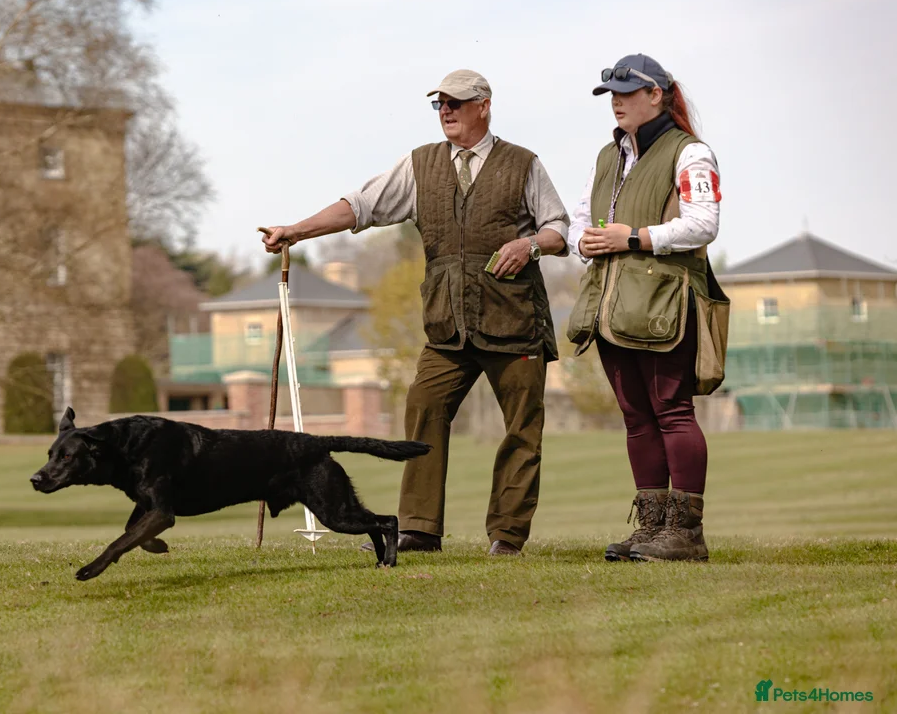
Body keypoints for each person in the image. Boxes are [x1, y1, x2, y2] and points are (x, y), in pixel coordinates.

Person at [260, 69, 570, 556]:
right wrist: (297, 231)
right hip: (447, 328)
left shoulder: (523, 163)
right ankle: (420, 530)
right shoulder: (420, 164)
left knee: (521, 430)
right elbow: (361, 206)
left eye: (456, 103)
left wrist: (529, 244)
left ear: (484, 105)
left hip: (514, 323)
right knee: (424, 409)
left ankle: (507, 536)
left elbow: (558, 228)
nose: (445, 111)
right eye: (439, 104)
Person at [565, 54, 728, 562]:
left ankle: (685, 535)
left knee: (673, 412)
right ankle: (653, 528)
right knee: (636, 418)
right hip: (610, 305)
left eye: (627, 91)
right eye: (611, 93)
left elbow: (705, 223)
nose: (616, 100)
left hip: (664, 301)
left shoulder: (690, 153)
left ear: (656, 94)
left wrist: (633, 237)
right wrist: (580, 243)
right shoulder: (607, 155)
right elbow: (579, 218)